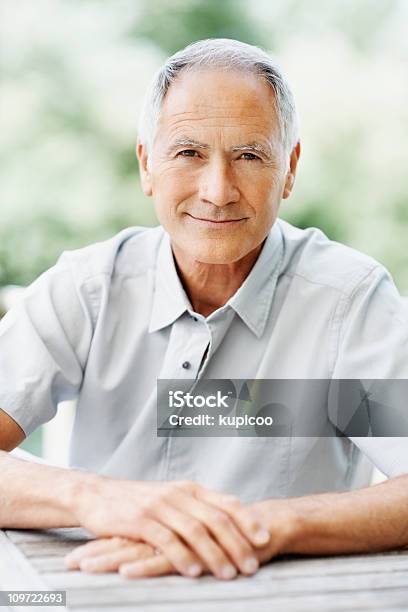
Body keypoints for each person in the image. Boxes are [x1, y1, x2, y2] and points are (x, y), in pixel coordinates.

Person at [1, 38, 407, 581]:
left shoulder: (347, 303)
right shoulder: (90, 288)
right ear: (147, 164)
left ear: (289, 168)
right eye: (189, 153)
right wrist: (92, 496)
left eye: (249, 155)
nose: (217, 191)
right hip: (107, 591)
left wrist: (263, 527)